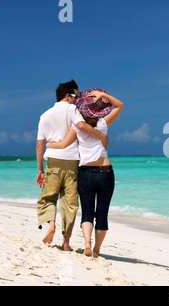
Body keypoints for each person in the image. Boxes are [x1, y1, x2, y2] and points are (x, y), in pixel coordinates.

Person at [47, 89, 124, 256]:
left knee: (87, 212)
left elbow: (63, 145)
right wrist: (103, 96)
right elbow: (119, 106)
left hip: (86, 172)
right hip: (105, 171)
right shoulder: (103, 123)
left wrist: (48, 145)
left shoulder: (77, 126)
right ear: (99, 109)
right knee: (102, 214)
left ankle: (87, 243)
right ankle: (96, 249)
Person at [36, 80, 109, 251]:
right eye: (76, 96)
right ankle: (66, 243)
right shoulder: (73, 110)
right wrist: (101, 137)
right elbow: (82, 125)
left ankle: (51, 225)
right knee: (70, 203)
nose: (78, 100)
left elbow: (39, 145)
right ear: (67, 96)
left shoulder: (45, 115)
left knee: (48, 197)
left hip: (52, 161)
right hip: (72, 162)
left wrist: (40, 170)